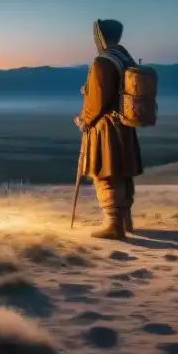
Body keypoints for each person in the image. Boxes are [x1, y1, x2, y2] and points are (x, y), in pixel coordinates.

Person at [74, 18, 143, 240]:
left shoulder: (103, 62)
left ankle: (114, 225)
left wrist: (83, 120)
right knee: (122, 172)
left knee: (106, 171)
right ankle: (125, 219)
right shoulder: (125, 59)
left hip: (106, 129)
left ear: (100, 35)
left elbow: (97, 101)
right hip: (124, 126)